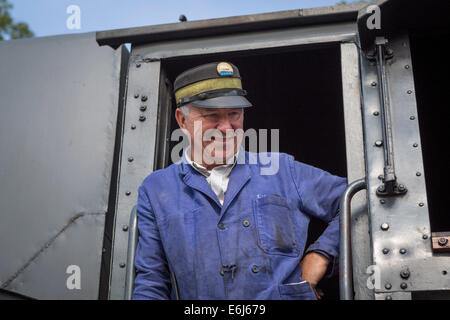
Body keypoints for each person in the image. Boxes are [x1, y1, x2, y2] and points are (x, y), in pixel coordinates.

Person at [132, 62, 347, 300]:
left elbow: (356, 199)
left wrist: (321, 253)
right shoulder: (156, 190)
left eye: (234, 114)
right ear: (182, 121)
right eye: (212, 115)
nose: (226, 128)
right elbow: (151, 281)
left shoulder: (282, 169)